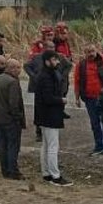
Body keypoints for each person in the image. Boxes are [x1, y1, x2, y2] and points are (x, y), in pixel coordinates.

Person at [35, 51, 73, 187]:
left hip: (44, 115)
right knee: (52, 146)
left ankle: (46, 172)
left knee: (46, 145)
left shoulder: (45, 75)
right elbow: (47, 98)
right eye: (54, 60)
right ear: (47, 61)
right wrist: (61, 100)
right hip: (49, 115)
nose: (57, 62)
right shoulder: (46, 76)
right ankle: (55, 175)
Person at [0, 59, 26, 180]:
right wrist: (18, 118)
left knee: (3, 145)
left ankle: (5, 170)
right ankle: (13, 171)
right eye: (17, 68)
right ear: (11, 68)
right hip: (10, 120)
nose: (19, 70)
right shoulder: (12, 82)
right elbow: (14, 104)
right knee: (13, 146)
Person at [75, 45, 103, 156]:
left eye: (92, 51)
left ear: (96, 51)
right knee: (94, 123)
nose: (91, 54)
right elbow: (77, 81)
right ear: (84, 53)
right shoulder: (81, 65)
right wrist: (77, 98)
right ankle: (99, 146)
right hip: (89, 98)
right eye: (88, 52)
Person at [25, 40, 56, 142]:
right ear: (44, 48)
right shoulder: (37, 57)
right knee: (38, 109)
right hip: (38, 88)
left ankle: (49, 128)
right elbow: (26, 66)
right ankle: (38, 132)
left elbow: (66, 65)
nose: (52, 49)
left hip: (50, 87)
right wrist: (33, 76)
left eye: (53, 47)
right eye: (50, 47)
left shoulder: (55, 58)